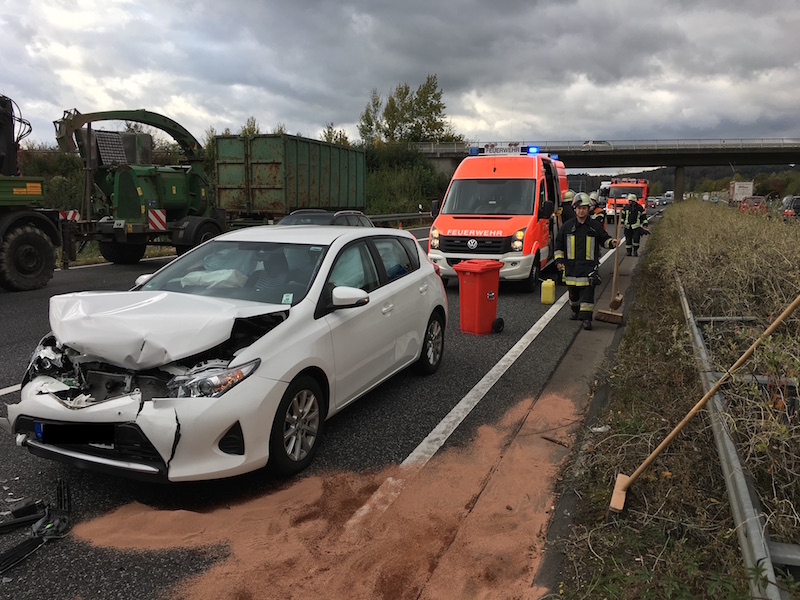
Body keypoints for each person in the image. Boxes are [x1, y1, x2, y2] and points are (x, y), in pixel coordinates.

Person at [555, 192, 617, 330]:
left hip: (589, 268)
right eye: (578, 208)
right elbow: (559, 244)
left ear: (588, 209)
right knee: (573, 295)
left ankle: (587, 319)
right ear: (574, 209)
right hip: (571, 268)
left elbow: (603, 239)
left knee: (587, 295)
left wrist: (611, 242)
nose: (581, 210)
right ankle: (575, 311)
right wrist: (559, 260)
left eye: (584, 208)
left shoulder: (594, 226)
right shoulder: (567, 226)